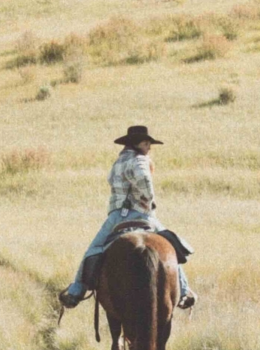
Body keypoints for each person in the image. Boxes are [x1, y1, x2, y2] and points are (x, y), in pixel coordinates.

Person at [61, 124, 197, 311]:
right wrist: (148, 201)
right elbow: (144, 179)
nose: (149, 147)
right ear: (136, 144)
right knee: (173, 247)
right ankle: (184, 291)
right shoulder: (140, 160)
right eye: (146, 143)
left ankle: (76, 291)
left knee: (93, 250)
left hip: (117, 216)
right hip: (141, 214)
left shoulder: (118, 162)